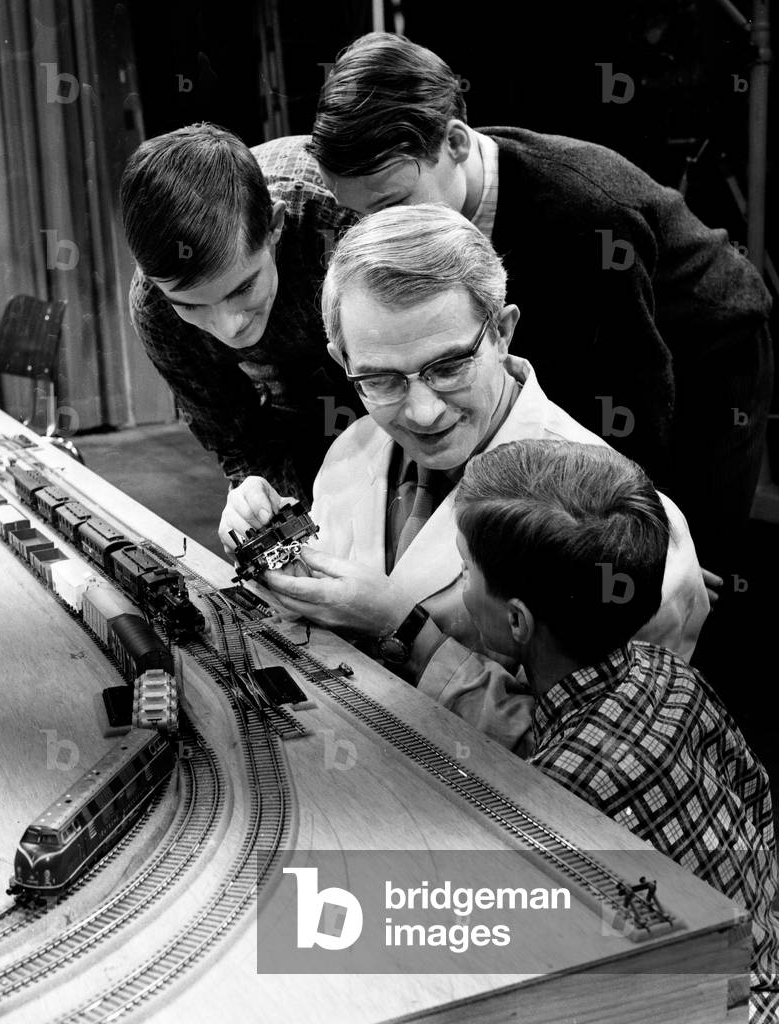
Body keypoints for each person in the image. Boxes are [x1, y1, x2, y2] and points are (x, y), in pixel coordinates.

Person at [220, 203, 709, 750]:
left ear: (503, 332)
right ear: (342, 360)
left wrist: (400, 628)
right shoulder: (349, 456)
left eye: (449, 367)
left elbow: (599, 760)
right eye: (380, 379)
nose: (423, 413)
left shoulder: (627, 533)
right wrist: (271, 545)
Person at [305, 32, 773, 578]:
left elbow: (633, 390)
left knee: (677, 557)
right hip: (587, 318)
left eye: (392, 204)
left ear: (456, 144)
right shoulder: (410, 182)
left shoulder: (582, 215)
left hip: (705, 345)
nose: (382, 230)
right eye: (359, 215)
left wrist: (654, 545)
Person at [451, 438, 778, 1023]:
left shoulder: (553, 802)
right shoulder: (670, 673)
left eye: (464, 570)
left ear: (517, 619)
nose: (462, 585)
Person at [120, 123, 361, 505]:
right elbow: (236, 438)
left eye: (242, 289)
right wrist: (280, 519)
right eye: (191, 305)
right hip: (286, 397)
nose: (229, 326)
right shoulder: (154, 307)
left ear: (275, 227)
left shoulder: (342, 225)